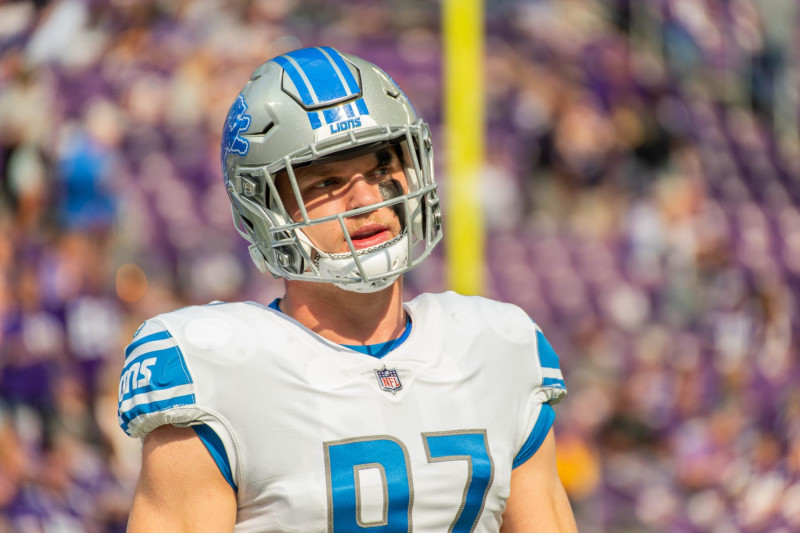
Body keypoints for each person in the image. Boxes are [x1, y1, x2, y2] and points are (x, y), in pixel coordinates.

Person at [117, 46, 578, 532]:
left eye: (381, 170)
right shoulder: (215, 368)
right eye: (326, 183)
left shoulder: (497, 346)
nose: (366, 199)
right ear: (266, 209)